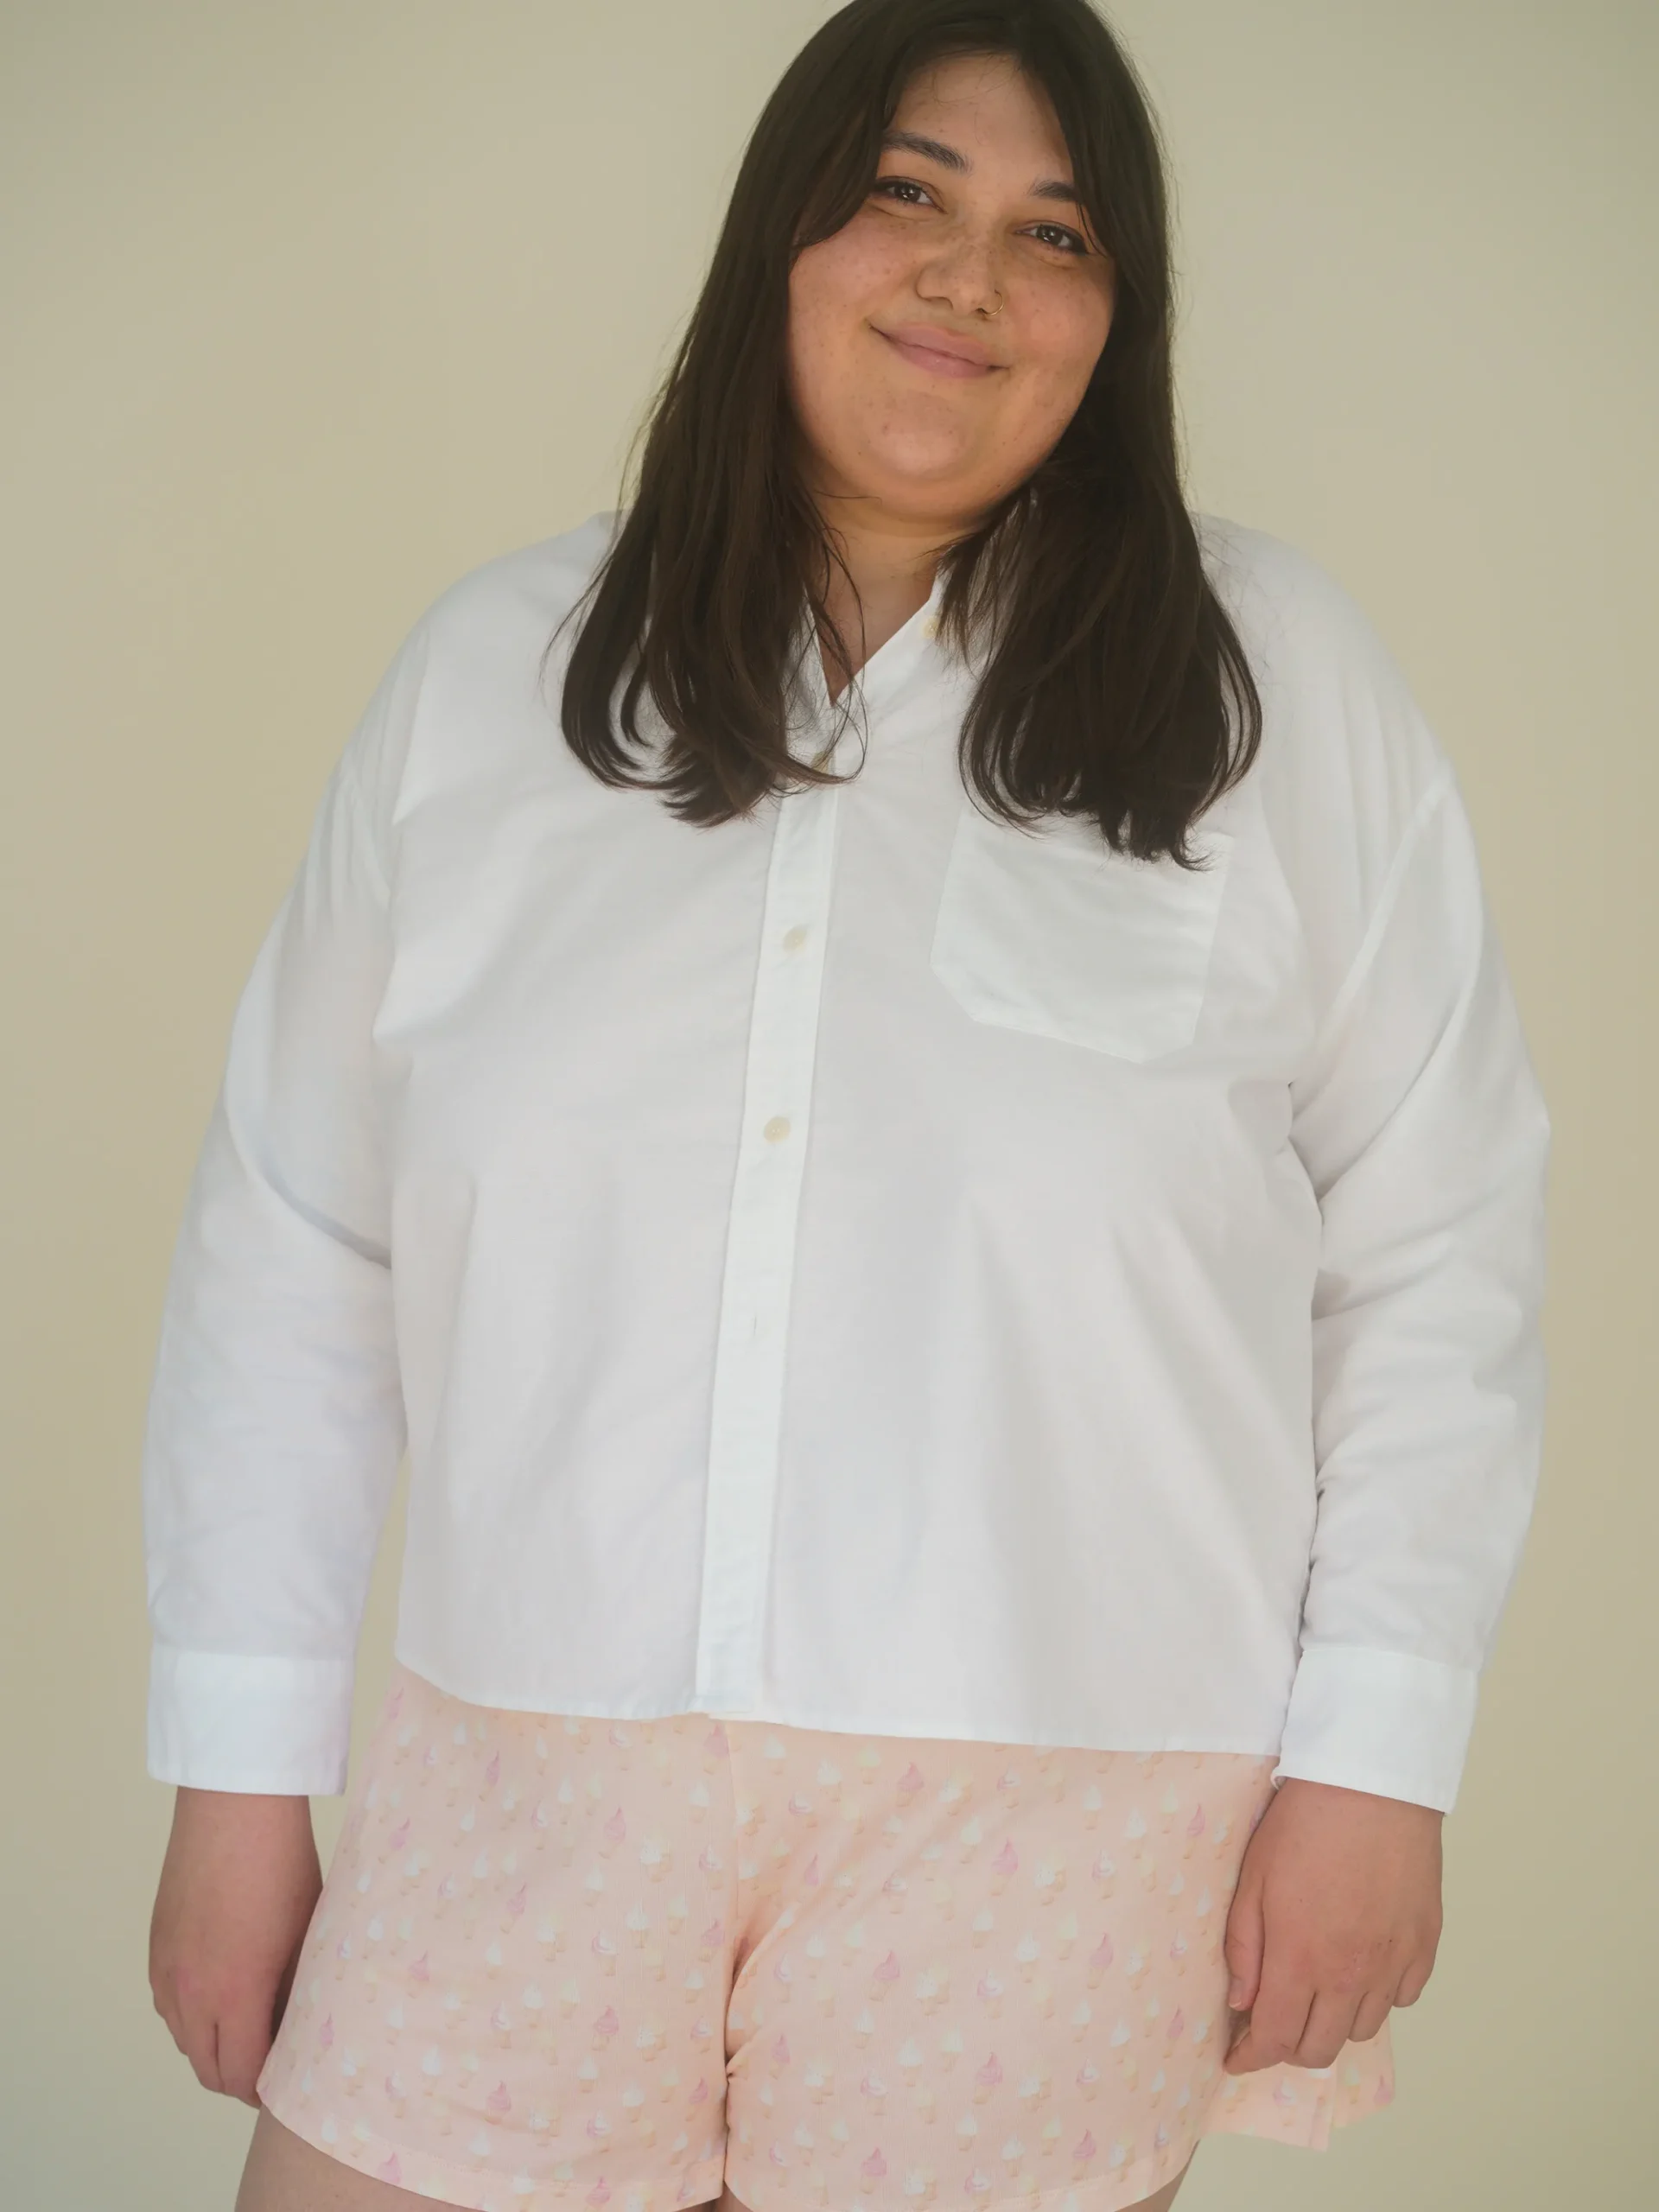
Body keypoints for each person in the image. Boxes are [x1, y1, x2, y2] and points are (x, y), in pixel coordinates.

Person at [142, 3, 1550, 2209]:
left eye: (1055, 232)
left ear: (1117, 313)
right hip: (523, 1763)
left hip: (1058, 1794)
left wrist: (1381, 1753)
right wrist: (238, 1770)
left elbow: (1436, 1237)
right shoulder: (495, 677)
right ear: (780, 235)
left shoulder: (1274, 684)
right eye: (907, 191)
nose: (970, 277)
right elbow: (297, 1236)